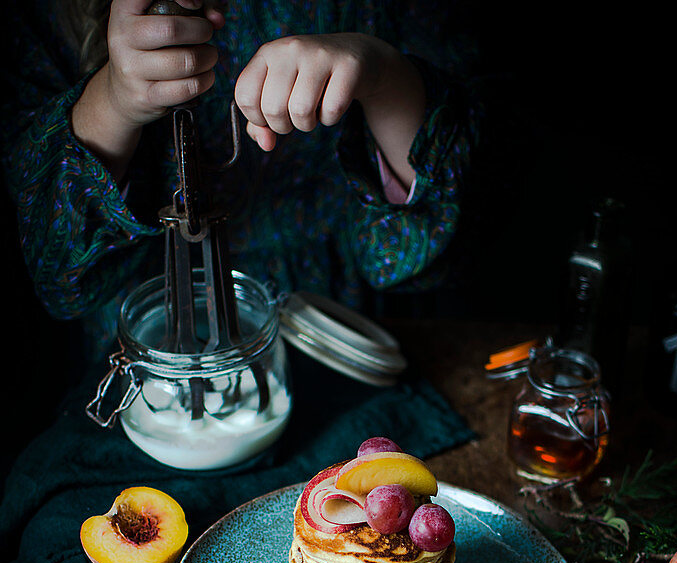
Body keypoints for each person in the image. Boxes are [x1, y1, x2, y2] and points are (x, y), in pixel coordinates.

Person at [2, 0, 482, 371]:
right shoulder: (47, 21)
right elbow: (59, 272)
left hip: (335, 329)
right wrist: (111, 101)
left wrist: (384, 75)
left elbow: (438, 244)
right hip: (147, 349)